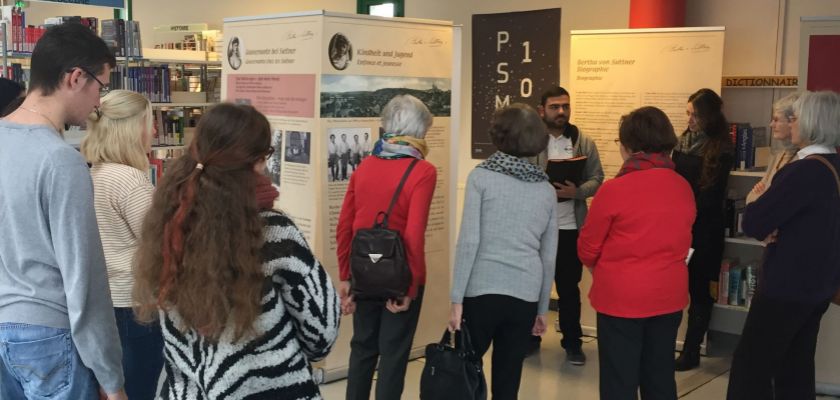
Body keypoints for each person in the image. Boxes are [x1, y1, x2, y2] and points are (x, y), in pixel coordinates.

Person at [133, 103, 340, 399]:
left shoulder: (168, 222)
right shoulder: (273, 232)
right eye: (266, 155)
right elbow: (322, 334)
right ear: (254, 161)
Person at [0, 23, 126, 400]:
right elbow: (84, 279)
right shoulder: (61, 162)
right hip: (49, 337)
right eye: (100, 87)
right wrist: (111, 377)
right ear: (75, 78)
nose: (99, 103)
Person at [727, 90, 840, 399]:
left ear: (812, 123)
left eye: (796, 118)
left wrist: (759, 207)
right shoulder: (833, 165)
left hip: (786, 286)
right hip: (819, 285)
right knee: (796, 367)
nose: (791, 124)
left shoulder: (803, 171)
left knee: (751, 366)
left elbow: (753, 221)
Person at [578, 107, 696, 400]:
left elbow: (587, 247)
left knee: (620, 380)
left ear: (628, 145)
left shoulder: (613, 190)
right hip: (668, 295)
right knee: (659, 378)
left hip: (621, 298)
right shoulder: (682, 186)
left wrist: (602, 268)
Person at [449, 103, 558, 399]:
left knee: (465, 372)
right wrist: (541, 309)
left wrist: (456, 299)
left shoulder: (480, 178)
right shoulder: (546, 190)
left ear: (499, 134)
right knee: (509, 378)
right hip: (524, 294)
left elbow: (469, 241)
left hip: (481, 292)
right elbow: (548, 256)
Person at [337, 94, 437, 400]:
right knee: (393, 355)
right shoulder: (423, 171)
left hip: (363, 271)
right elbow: (414, 234)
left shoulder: (365, 165)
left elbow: (345, 225)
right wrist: (410, 288)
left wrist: (345, 276)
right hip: (400, 275)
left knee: (363, 347)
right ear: (419, 130)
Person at [79, 90, 162, 400]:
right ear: (131, 128)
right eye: (149, 123)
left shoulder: (93, 172)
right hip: (134, 305)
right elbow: (158, 245)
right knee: (140, 387)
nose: (153, 131)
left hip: (103, 300)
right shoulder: (130, 180)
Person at [532, 85, 604, 364]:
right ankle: (530, 337)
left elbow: (597, 178)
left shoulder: (583, 141)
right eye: (555, 107)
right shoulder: (531, 141)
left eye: (565, 106)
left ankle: (573, 342)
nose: (561, 112)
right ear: (542, 110)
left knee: (568, 288)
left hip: (570, 227)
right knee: (534, 285)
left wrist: (577, 192)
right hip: (537, 228)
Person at [672, 88, 735, 371]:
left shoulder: (721, 148)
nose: (690, 120)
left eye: (695, 115)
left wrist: (684, 212)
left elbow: (710, 195)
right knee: (673, 288)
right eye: (688, 114)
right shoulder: (680, 143)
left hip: (704, 230)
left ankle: (691, 350)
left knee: (699, 292)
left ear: (708, 117)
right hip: (678, 227)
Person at [745, 92, 801, 204]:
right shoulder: (777, 157)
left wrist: (764, 194)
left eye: (776, 120)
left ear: (792, 122)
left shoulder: (804, 159)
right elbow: (750, 199)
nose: (771, 125)